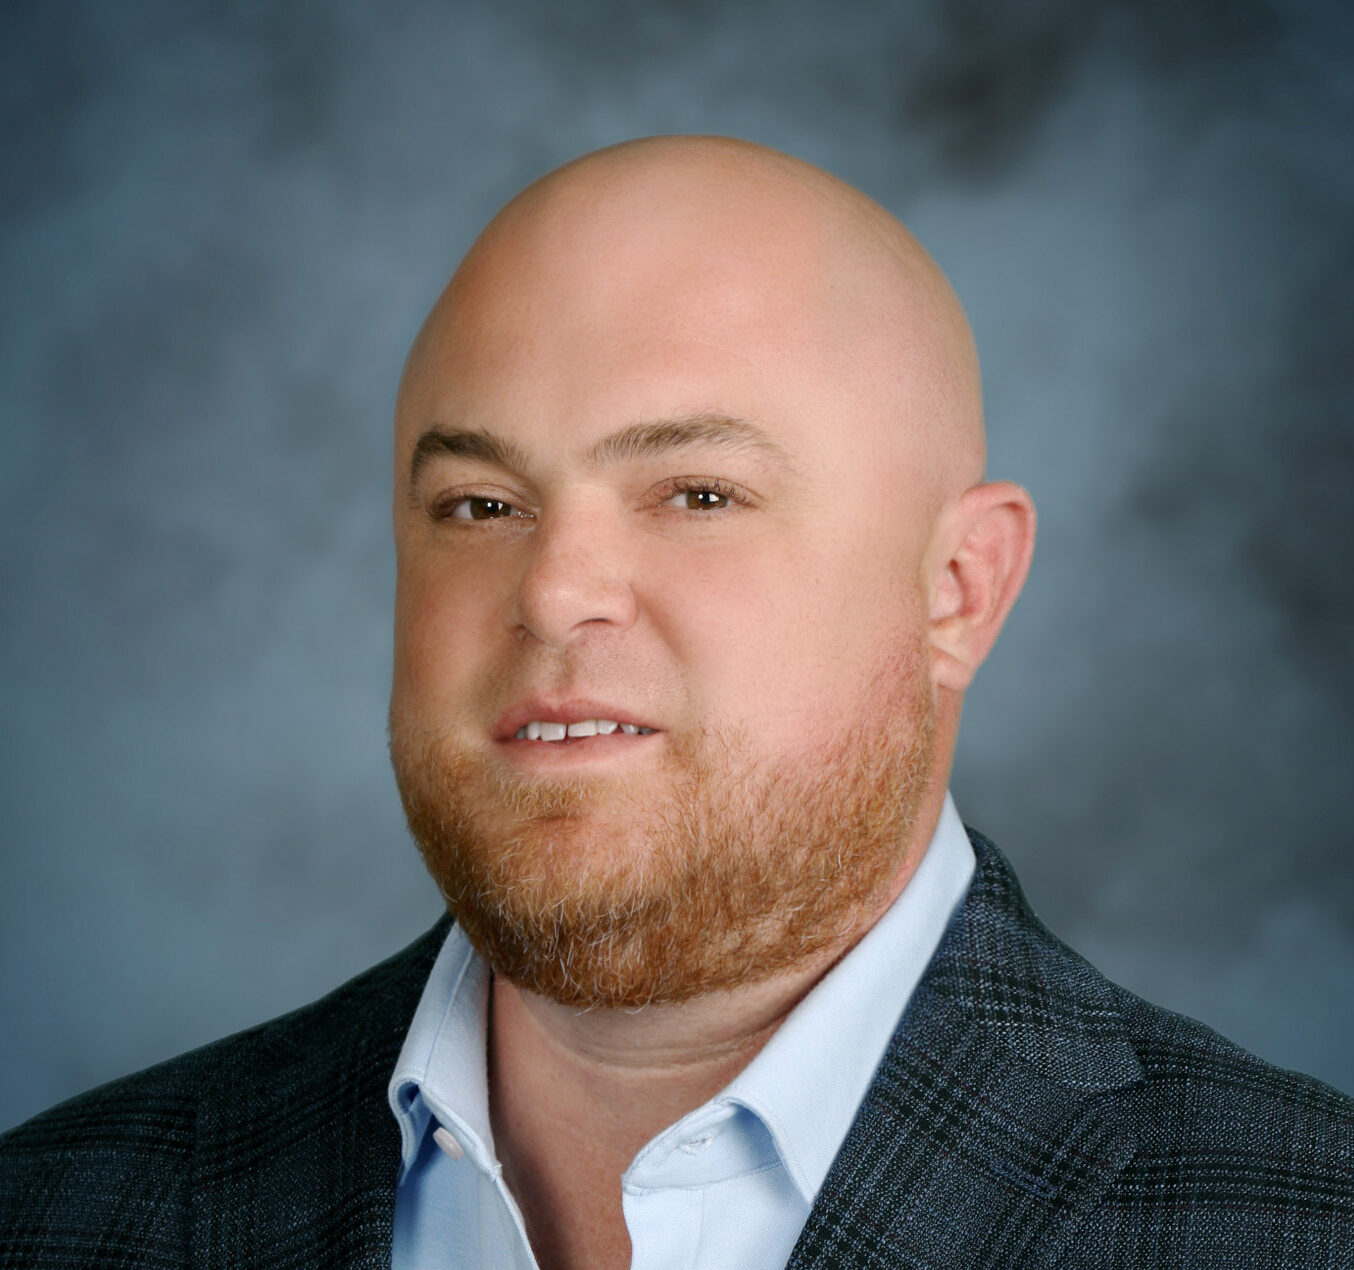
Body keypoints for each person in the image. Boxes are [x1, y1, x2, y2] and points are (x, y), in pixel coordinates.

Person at [1, 135, 1350, 1269]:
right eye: (479, 505)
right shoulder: (55, 1215)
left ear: (957, 589)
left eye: (698, 493)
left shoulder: (1298, 1227)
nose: (552, 592)